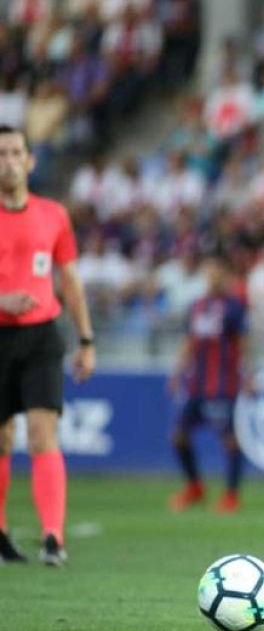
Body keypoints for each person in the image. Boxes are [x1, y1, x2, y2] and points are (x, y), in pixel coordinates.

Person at [0, 125, 96, 566]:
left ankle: (53, 537)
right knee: (2, 438)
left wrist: (86, 339)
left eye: (16, 152)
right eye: (1, 154)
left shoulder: (53, 215)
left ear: (30, 160)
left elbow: (70, 281)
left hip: (42, 334)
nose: (9, 161)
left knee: (43, 433)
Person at [167, 254, 252, 514]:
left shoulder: (235, 307)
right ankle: (195, 487)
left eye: (217, 271)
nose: (212, 276)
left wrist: (248, 376)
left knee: (229, 440)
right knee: (179, 437)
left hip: (223, 386)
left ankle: (231, 494)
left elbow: (244, 344)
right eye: (209, 271)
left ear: (225, 276)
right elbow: (189, 343)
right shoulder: (196, 306)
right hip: (197, 385)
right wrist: (177, 373)